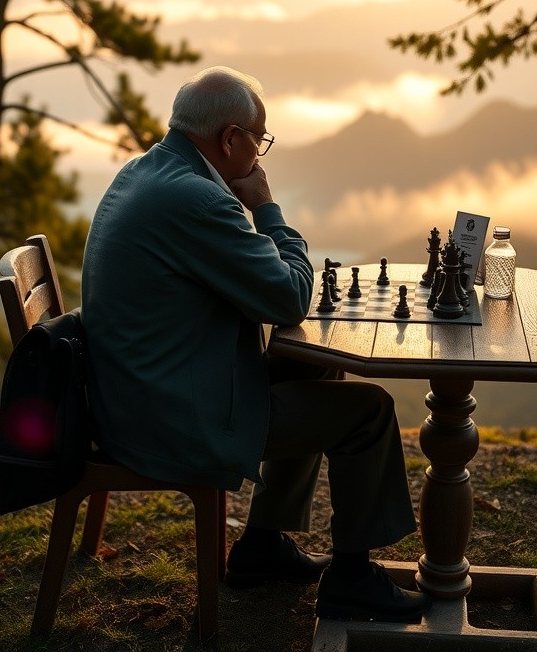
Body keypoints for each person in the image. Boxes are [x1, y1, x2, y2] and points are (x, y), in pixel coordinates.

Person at [81, 66, 429, 622]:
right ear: (230, 139)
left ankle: (261, 544)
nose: (259, 157)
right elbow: (289, 296)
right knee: (370, 413)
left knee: (317, 372)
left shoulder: (145, 171)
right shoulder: (199, 201)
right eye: (258, 141)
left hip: (135, 391)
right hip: (169, 417)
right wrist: (266, 207)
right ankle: (354, 579)